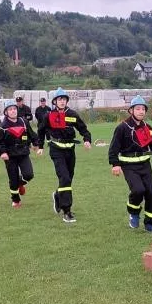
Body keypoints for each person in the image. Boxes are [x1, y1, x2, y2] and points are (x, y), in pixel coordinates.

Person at [109, 96, 152, 231]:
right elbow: (113, 148)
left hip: (145, 165)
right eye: (138, 109)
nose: (141, 111)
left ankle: (150, 223)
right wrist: (115, 164)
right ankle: (134, 213)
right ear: (131, 110)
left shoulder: (148, 128)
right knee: (138, 190)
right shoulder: (122, 128)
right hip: (128, 165)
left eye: (143, 109)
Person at [36, 88, 92, 223]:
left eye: (64, 99)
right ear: (55, 101)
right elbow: (41, 130)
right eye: (59, 99)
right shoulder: (48, 115)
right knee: (65, 177)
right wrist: (41, 146)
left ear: (67, 101)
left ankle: (57, 195)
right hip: (56, 150)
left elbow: (83, 129)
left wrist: (87, 139)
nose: (62, 101)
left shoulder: (72, 114)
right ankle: (67, 211)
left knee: (68, 178)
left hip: (70, 150)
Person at [0, 100, 38, 208]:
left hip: (23, 153)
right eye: (10, 109)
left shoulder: (24, 122)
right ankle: (16, 200)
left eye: (14, 109)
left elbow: (31, 134)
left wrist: (35, 143)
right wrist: (3, 152)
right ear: (6, 112)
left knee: (29, 175)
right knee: (13, 179)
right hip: (10, 156)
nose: (13, 111)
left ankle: (21, 183)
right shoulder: (3, 126)